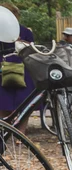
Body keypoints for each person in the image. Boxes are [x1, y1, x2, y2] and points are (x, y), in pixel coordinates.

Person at [0, 3, 35, 133]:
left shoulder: (24, 31)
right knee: (18, 102)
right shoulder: (25, 31)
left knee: (9, 102)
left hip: (14, 68)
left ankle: (8, 132)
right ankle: (19, 132)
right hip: (20, 69)